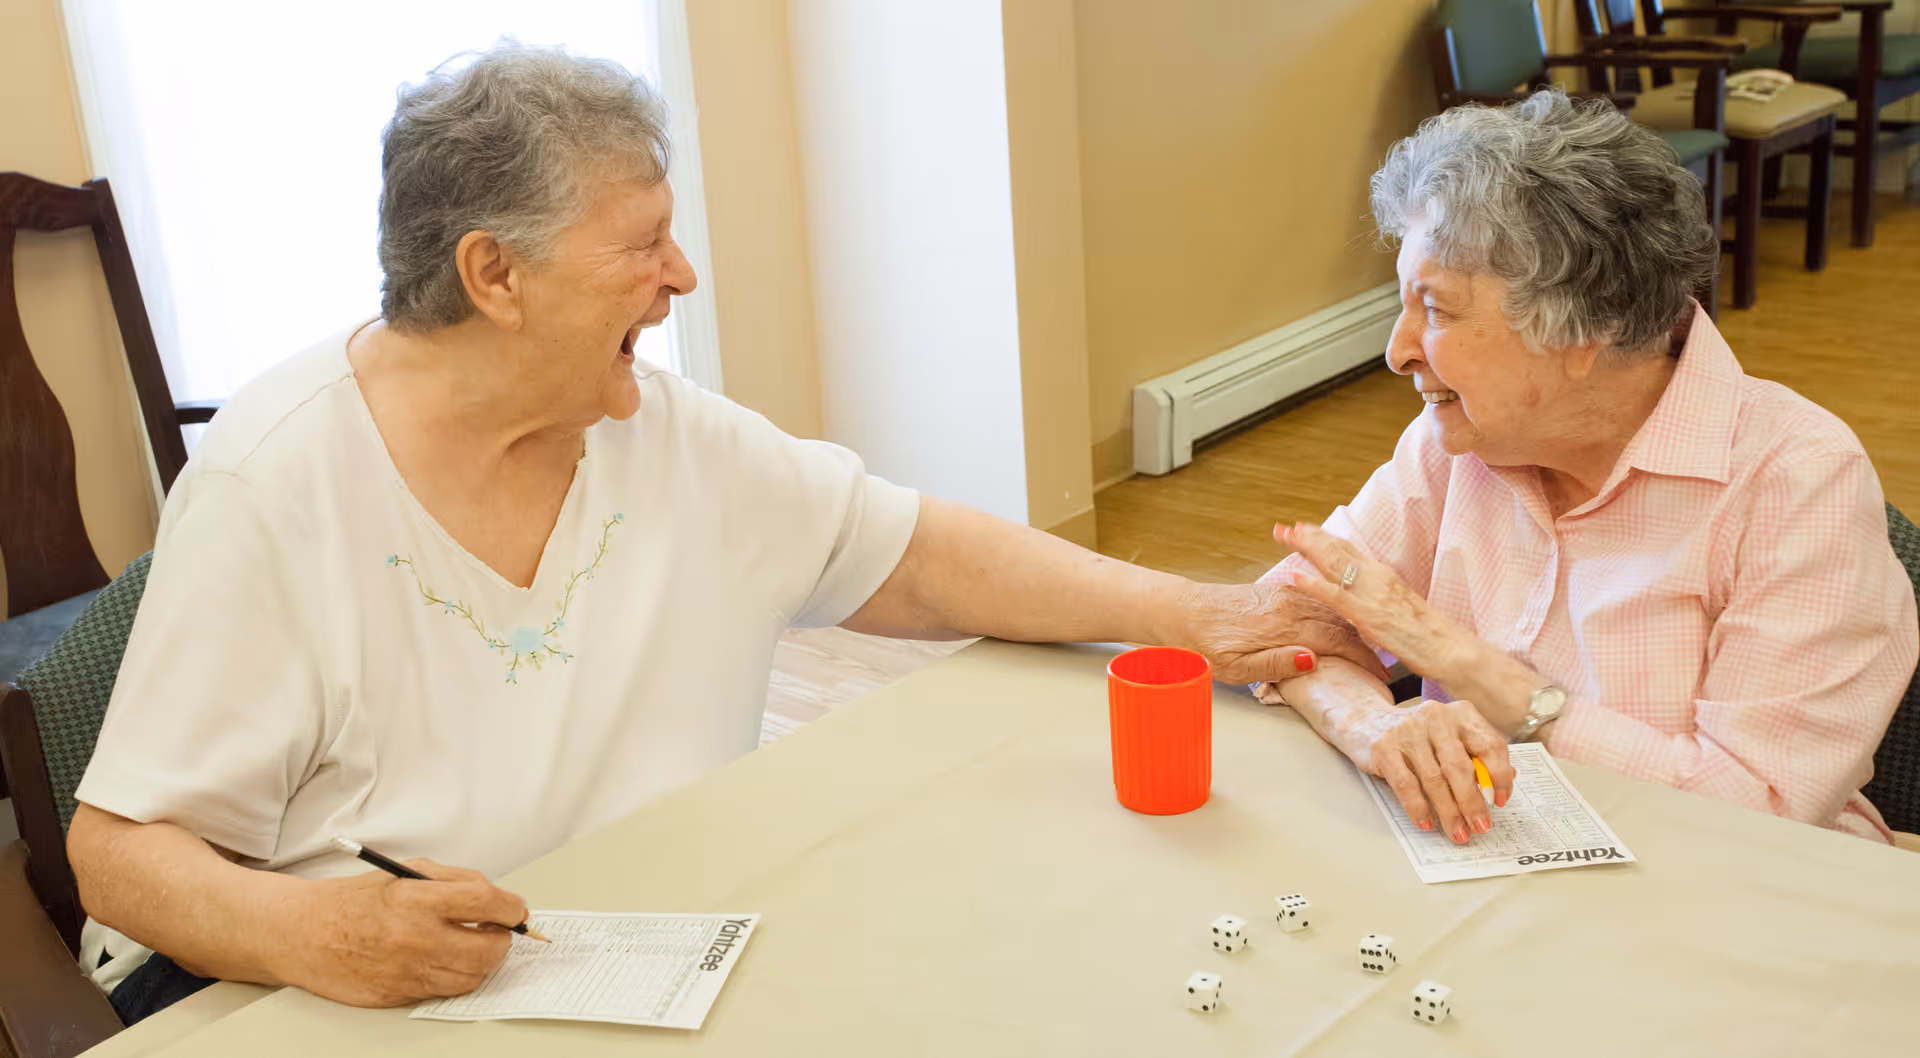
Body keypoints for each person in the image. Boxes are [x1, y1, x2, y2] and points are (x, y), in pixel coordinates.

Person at [65, 43, 1375, 1021]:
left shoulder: (660, 431)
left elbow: (914, 552)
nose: (683, 276)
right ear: (492, 275)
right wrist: (313, 931)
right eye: (643, 244)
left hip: (629, 963)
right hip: (331, 997)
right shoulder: (274, 478)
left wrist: (1195, 613)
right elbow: (115, 854)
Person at [1253, 90, 1917, 851]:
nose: (1397, 350)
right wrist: (1372, 723)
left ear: (1581, 327)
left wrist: (1468, 666)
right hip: (1493, 866)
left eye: (1434, 309)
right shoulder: (1456, 443)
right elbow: (1274, 625)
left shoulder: (1798, 483)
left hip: (1733, 901)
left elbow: (1760, 817)